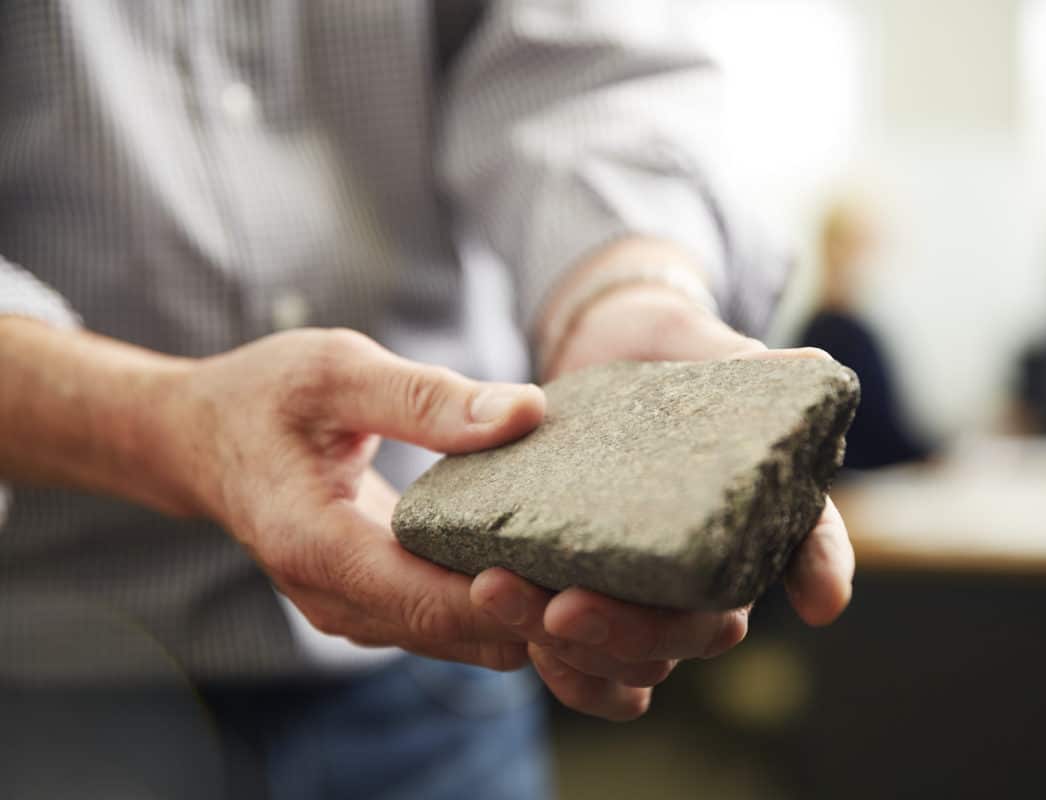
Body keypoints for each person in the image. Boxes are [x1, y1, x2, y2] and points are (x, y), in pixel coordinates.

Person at [0, 2, 856, 798]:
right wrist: (153, 421)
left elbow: (573, 64)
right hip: (50, 684)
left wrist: (625, 289)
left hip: (444, 684)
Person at [792, 194, 930, 469]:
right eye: (862, 243)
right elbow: (880, 437)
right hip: (854, 488)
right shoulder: (833, 333)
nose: (869, 257)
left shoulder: (844, 328)